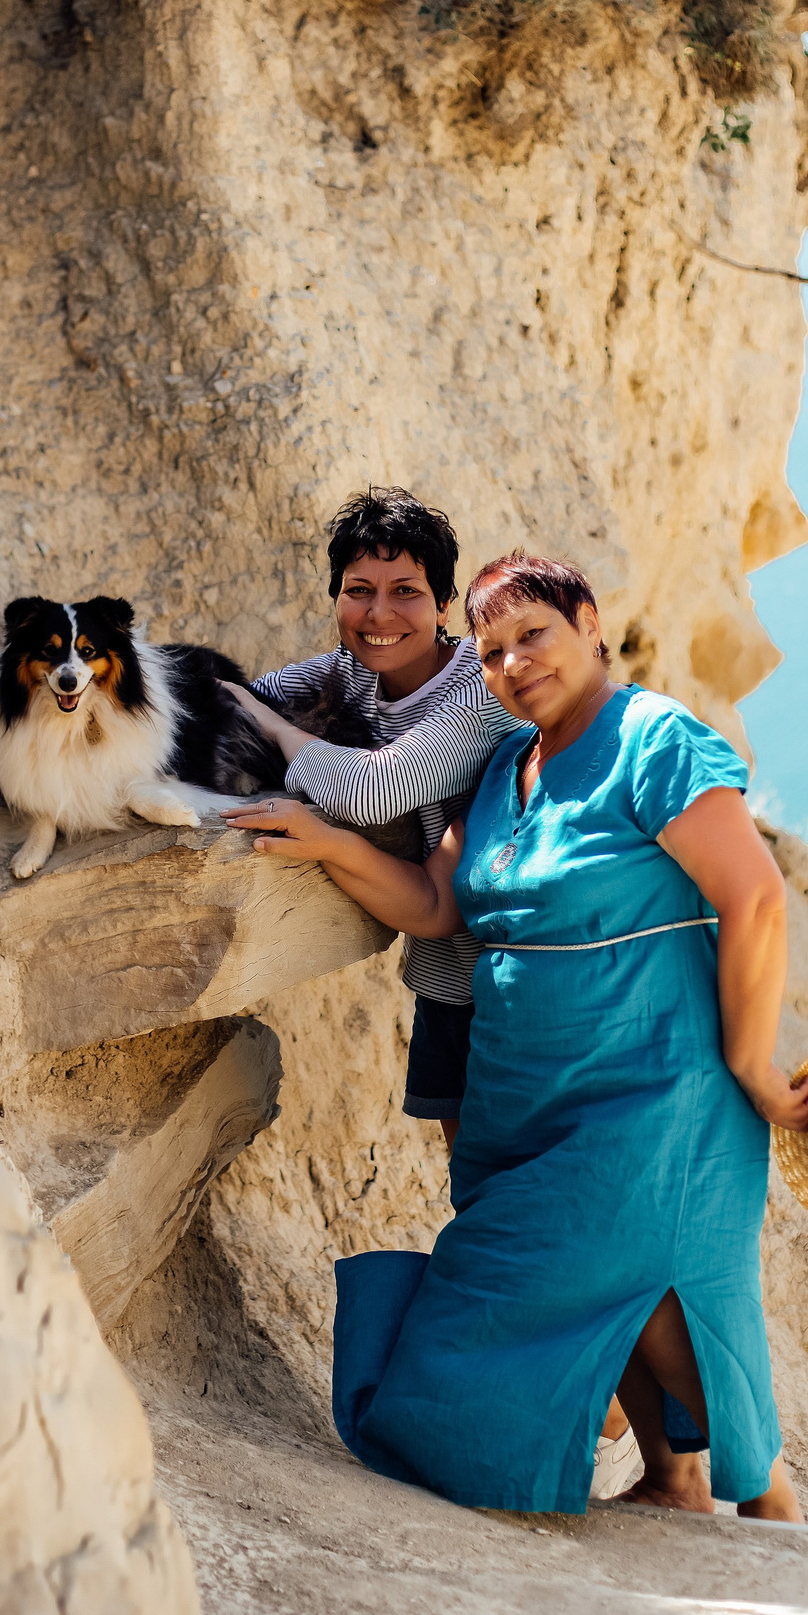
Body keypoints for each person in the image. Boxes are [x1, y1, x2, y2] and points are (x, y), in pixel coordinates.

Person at [223, 554, 808, 1518]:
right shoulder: (505, 766)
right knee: (597, 1294)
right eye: (492, 651)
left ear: (590, 623)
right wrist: (329, 840)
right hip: (522, 1103)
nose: (512, 663)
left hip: (652, 1094)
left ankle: (770, 1500)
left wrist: (752, 1060)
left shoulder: (653, 737)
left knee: (640, 1289)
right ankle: (676, 1484)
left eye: (532, 634)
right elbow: (432, 903)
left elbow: (753, 896)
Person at [224, 489, 524, 1145]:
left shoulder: (485, 689)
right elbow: (241, 700)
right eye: (359, 590)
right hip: (449, 979)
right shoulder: (348, 675)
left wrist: (275, 731)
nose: (379, 613)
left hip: (525, 987)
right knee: (477, 1192)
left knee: (538, 1198)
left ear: (445, 604)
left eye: (406, 591)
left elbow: (371, 792)